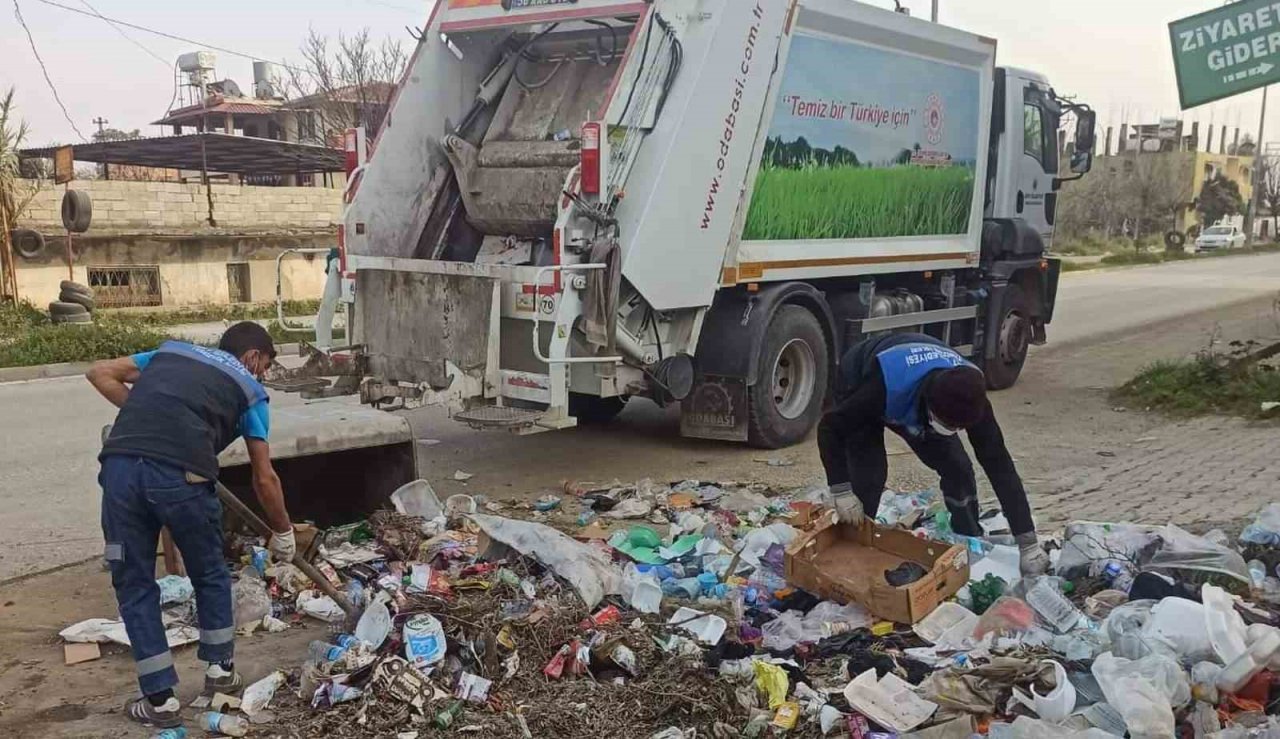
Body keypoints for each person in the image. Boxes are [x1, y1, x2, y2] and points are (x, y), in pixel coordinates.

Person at [87, 322, 295, 729]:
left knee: (132, 582)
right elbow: (264, 477)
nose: (265, 375)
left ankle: (160, 700)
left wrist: (147, 417)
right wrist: (283, 531)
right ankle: (220, 673)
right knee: (210, 573)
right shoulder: (250, 390)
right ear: (253, 357)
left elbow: (100, 373)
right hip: (182, 478)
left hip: (120, 472)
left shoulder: (171, 354)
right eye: (266, 364)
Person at [816, 332, 1049, 576]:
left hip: (921, 395)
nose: (953, 432)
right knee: (870, 475)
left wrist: (1028, 543)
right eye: (945, 425)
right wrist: (840, 488)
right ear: (928, 405)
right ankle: (853, 550)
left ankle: (968, 539)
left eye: (957, 429)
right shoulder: (881, 389)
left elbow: (1000, 466)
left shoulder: (971, 397)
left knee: (958, 468)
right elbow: (830, 427)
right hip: (863, 375)